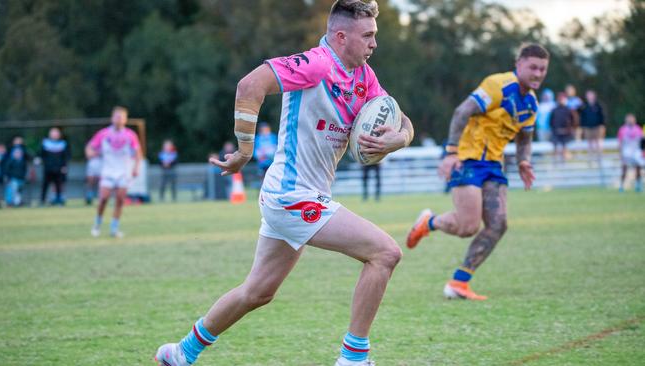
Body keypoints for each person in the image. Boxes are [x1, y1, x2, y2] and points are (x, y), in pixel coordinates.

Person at [155, 2, 414, 365]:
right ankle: (353, 359)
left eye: (375, 35)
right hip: (291, 195)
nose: (374, 44)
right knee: (385, 253)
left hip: (299, 196)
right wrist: (245, 149)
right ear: (341, 37)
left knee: (257, 292)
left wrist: (397, 139)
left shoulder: (364, 77)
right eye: (368, 36)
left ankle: (181, 353)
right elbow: (250, 85)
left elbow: (403, 120)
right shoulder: (316, 64)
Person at [405, 43, 549, 300]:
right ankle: (428, 222)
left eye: (542, 69)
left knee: (498, 224)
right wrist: (451, 152)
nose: (538, 74)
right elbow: (462, 112)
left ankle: (459, 282)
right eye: (533, 67)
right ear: (519, 65)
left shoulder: (531, 104)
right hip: (467, 160)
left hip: (494, 166)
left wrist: (524, 161)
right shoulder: (499, 85)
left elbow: (525, 139)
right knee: (467, 226)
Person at [86, 106, 142, 238]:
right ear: (112, 118)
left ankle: (114, 228)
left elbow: (138, 153)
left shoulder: (130, 135)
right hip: (107, 172)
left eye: (122, 117)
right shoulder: (103, 134)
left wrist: (136, 168)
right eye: (117, 116)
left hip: (123, 172)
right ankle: (97, 224)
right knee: (103, 199)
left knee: (120, 200)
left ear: (125, 119)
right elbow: (90, 148)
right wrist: (91, 154)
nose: (119, 119)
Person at [39, 127, 71, 205]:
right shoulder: (45, 143)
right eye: (53, 133)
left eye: (56, 133)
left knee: (59, 185)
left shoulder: (63, 144)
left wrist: (64, 166)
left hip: (59, 168)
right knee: (45, 184)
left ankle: (58, 200)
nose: (54, 135)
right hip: (48, 168)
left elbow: (66, 156)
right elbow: (41, 154)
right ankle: (42, 200)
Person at [617, 113, 643, 192]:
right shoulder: (622, 129)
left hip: (635, 151)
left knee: (638, 168)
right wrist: (621, 153)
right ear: (626, 120)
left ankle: (638, 185)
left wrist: (642, 152)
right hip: (626, 151)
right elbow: (620, 142)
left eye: (632, 119)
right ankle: (621, 185)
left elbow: (641, 142)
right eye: (629, 119)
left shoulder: (638, 129)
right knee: (624, 169)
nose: (630, 120)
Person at [2, 137, 31, 207]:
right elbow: (6, 169)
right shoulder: (10, 160)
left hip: (21, 178)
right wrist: (7, 176)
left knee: (18, 191)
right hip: (13, 178)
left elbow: (29, 158)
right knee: (13, 190)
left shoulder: (23, 159)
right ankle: (11, 203)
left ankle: (17, 202)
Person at [579, 89, 605, 163]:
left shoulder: (598, 105)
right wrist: (583, 126)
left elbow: (602, 116)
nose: (589, 96)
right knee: (589, 143)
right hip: (588, 127)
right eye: (588, 95)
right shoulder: (584, 106)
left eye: (591, 94)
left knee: (598, 142)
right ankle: (591, 159)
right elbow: (582, 116)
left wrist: (602, 125)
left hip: (597, 127)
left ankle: (599, 158)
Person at [550, 92, 575, 163]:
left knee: (565, 148)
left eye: (563, 99)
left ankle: (564, 163)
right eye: (560, 99)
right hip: (556, 133)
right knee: (555, 147)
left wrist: (568, 130)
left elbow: (573, 121)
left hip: (566, 133)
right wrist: (555, 130)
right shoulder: (554, 110)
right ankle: (555, 163)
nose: (561, 100)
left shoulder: (569, 110)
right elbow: (551, 122)